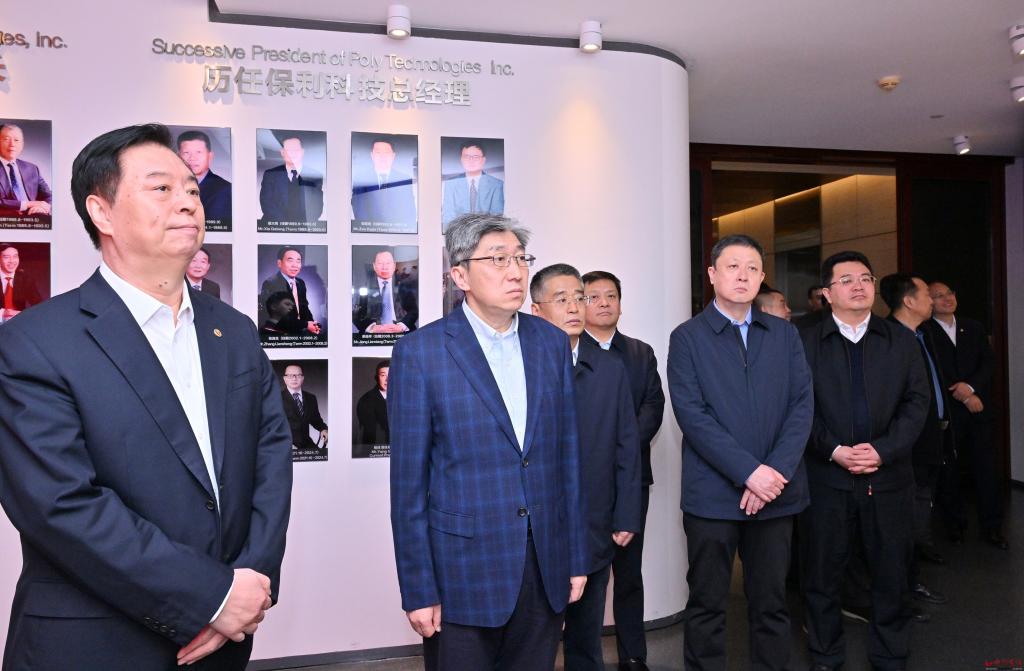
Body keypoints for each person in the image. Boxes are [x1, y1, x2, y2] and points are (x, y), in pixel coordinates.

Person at [0, 123, 293, 669]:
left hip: (225, 639)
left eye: (191, 189)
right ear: (102, 212)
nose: (187, 202)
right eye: (161, 188)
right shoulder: (33, 343)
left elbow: (271, 459)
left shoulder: (233, 330)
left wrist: (249, 584)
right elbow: (60, 505)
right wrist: (211, 596)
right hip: (94, 644)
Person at [389, 213, 587, 671]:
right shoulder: (421, 353)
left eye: (520, 258)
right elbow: (408, 487)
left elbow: (568, 462)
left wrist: (575, 557)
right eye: (498, 260)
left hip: (543, 565)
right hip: (462, 573)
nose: (515, 271)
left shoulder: (552, 344)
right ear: (460, 276)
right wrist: (418, 588)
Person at [668, 234, 813, 671]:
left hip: (776, 492)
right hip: (712, 495)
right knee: (707, 603)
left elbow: (801, 405)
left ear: (762, 276)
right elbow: (692, 415)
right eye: (732, 267)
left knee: (771, 603)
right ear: (712, 274)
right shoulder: (688, 337)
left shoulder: (785, 334)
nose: (742, 276)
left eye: (752, 268)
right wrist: (749, 472)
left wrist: (773, 472)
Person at [801, 251, 929, 671]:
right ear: (827, 293)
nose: (859, 286)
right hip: (826, 478)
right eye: (847, 280)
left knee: (892, 573)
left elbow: (917, 402)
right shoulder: (804, 341)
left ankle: (890, 654)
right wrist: (833, 449)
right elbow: (797, 407)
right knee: (822, 575)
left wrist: (884, 450)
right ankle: (825, 655)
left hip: (889, 479)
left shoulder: (901, 341)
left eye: (865, 278)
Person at [530, 263, 641, 671]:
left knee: (585, 638)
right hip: (535, 523)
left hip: (593, 520)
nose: (576, 307)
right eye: (562, 299)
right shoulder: (520, 366)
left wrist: (626, 513)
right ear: (536, 310)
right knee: (532, 640)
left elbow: (627, 446)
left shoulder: (610, 368)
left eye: (580, 297)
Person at [580, 269, 665, 671]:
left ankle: (633, 654)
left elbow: (653, 406)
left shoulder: (639, 353)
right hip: (585, 481)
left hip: (632, 480)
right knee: (585, 572)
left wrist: (623, 444)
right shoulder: (568, 351)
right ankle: (584, 656)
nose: (603, 303)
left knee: (629, 571)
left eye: (610, 296)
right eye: (593, 296)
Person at [879, 273, 951, 602]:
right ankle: (900, 592)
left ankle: (910, 583)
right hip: (906, 448)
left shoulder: (922, 335)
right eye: (926, 294)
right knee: (903, 521)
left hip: (929, 442)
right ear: (908, 301)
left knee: (919, 514)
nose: (932, 300)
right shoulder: (888, 340)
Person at [921, 281, 1007, 549]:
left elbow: (988, 361)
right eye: (938, 296)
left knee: (987, 469)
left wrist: (971, 388)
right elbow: (931, 370)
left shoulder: (973, 327)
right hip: (947, 411)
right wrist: (963, 395)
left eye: (949, 293)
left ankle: (992, 527)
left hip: (979, 409)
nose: (947, 299)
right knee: (950, 471)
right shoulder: (925, 331)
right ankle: (955, 525)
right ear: (929, 302)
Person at [351, 137, 417, 225]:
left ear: (393, 156)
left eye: (386, 153)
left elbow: (409, 212)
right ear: (372, 156)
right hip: (368, 230)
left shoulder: (404, 180)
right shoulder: (361, 179)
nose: (383, 157)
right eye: (378, 153)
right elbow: (358, 209)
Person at [257, 246, 321, 336]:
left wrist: (313, 325)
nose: (295, 265)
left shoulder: (300, 283)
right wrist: (306, 325)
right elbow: (276, 317)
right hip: (281, 333)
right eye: (290, 260)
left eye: (298, 261)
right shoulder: (271, 283)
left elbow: (304, 308)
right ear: (279, 263)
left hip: (300, 332)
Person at [441, 140, 505, 229]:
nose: (471, 161)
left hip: (485, 234)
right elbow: (448, 219)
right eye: (466, 157)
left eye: (476, 157)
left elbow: (497, 220)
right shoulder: (450, 184)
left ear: (483, 160)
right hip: (458, 234)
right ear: (461, 160)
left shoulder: (496, 185)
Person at [259, 135, 324, 222]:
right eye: (289, 150)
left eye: (295, 150)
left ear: (302, 152)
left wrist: (298, 226)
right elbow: (267, 204)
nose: (292, 153)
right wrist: (285, 226)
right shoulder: (270, 175)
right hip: (275, 226)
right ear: (282, 152)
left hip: (304, 227)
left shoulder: (314, 176)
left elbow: (317, 208)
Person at [352, 249, 418, 334]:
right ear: (374, 266)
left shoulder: (405, 285)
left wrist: (401, 326)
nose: (384, 267)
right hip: (373, 336)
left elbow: (414, 311)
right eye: (380, 263)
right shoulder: (363, 286)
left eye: (388, 263)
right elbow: (355, 314)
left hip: (402, 333)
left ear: (394, 265)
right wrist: (372, 327)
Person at [177, 130, 231, 224]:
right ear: (178, 157)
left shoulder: (224, 190)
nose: (192, 158)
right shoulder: (170, 186)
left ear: (210, 156)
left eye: (198, 152)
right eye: (186, 153)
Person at [0, 123, 52, 217]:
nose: (12, 144)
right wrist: (27, 204)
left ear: (22, 144)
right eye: (6, 139)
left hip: (35, 217)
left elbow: (49, 195)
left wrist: (43, 207)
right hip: (6, 220)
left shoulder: (32, 168)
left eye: (16, 140)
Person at [280, 363, 328, 452]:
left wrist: (323, 429)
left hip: (306, 444)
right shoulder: (277, 398)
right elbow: (272, 426)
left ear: (302, 378)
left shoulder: (311, 398)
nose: (294, 378)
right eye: (290, 375)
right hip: (284, 445)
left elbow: (316, 420)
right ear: (284, 378)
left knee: (321, 457)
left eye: (298, 375)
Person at [0, 243, 44, 320]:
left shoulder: (26, 279)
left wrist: (20, 314)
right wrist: (3, 313)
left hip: (19, 322)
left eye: (15, 256)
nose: (12, 261)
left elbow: (40, 307)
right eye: (6, 257)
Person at [356, 359, 390, 446]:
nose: (387, 379)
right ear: (377, 377)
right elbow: (370, 435)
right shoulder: (366, 401)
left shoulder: (403, 398)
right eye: (383, 375)